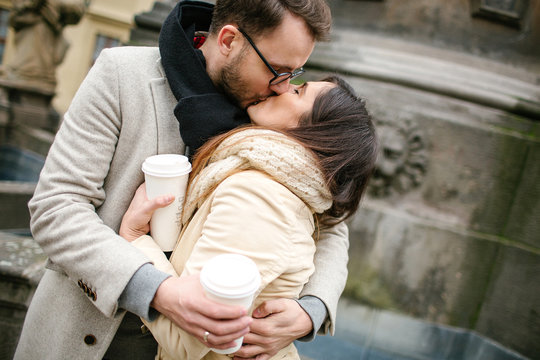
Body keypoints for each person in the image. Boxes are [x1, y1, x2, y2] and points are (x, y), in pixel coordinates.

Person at [14, 1, 348, 359]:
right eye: (278, 69)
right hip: (82, 335)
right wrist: (159, 292)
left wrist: (311, 309)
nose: (283, 87)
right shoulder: (121, 74)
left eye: (295, 73)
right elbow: (56, 207)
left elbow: (330, 217)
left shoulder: (269, 111)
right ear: (229, 40)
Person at [119, 76, 378, 359]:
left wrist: (135, 241)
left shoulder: (260, 198)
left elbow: (185, 342)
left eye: (298, 90)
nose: (282, 85)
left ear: (317, 133)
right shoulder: (275, 181)